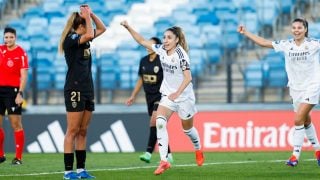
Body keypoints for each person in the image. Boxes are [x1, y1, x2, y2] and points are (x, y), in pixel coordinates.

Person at [121, 21, 204, 175]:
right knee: (159, 122)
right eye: (164, 37)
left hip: (184, 97)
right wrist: (128, 27)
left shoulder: (181, 55)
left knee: (187, 130)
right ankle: (164, 161)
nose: (165, 40)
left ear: (177, 40)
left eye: (169, 38)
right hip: (167, 95)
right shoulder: (161, 50)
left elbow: (188, 77)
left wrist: (177, 93)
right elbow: (141, 41)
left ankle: (198, 149)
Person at [238, 18, 320, 167]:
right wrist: (246, 33)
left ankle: (295, 155)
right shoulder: (286, 45)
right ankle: (318, 151)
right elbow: (264, 43)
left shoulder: (314, 44)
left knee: (297, 119)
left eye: (299, 28)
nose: (296, 30)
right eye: (294, 27)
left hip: (313, 86)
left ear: (305, 30)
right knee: (306, 120)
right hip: (295, 88)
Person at [58, 4, 106, 179]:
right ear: (79, 27)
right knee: (72, 130)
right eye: (86, 24)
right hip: (74, 88)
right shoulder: (71, 40)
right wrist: (86, 17)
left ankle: (81, 170)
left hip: (87, 88)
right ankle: (68, 171)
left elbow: (102, 28)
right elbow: (90, 33)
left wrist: (91, 15)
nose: (89, 29)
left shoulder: (85, 37)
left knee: (83, 130)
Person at [125, 37, 173, 164]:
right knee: (159, 125)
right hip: (149, 97)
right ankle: (168, 153)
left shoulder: (162, 60)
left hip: (161, 97)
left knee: (154, 122)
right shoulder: (143, 61)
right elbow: (141, 79)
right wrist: (133, 95)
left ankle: (148, 152)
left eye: (150, 45)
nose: (147, 46)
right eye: (146, 44)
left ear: (156, 47)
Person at [0, 27, 28, 165]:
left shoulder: (21, 53)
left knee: (15, 124)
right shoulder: (0, 50)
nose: (8, 40)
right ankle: (0, 155)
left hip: (13, 92)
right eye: (6, 37)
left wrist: (20, 93)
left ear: (15, 37)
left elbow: (24, 75)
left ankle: (18, 158)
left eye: (11, 37)